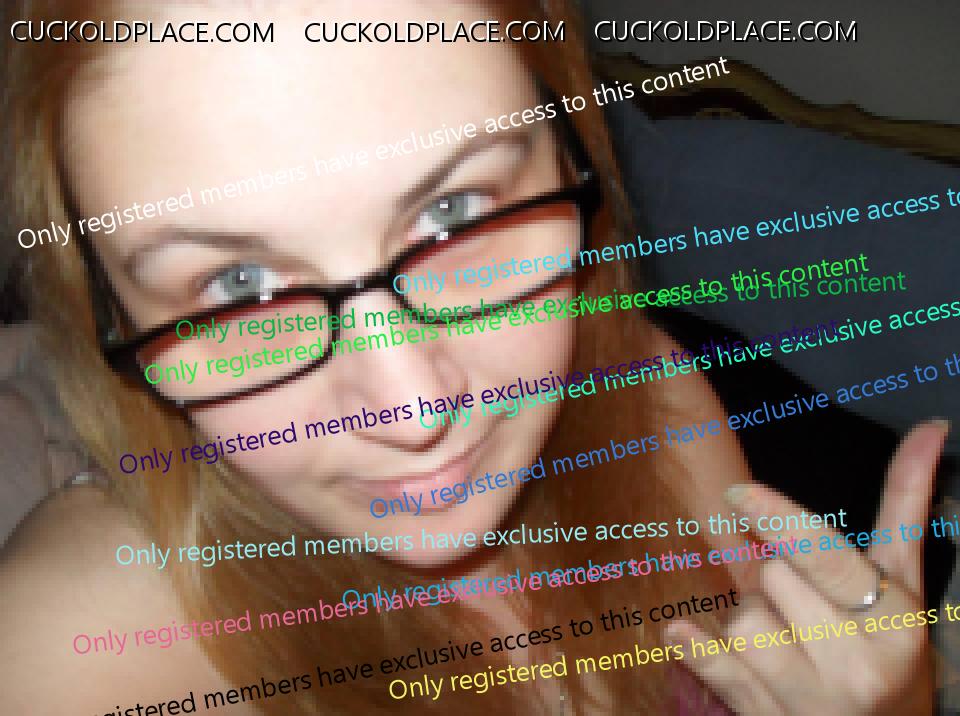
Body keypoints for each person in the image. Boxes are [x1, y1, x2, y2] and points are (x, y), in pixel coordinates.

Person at [0, 1, 945, 713]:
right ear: (106, 310)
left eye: (455, 213)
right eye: (238, 286)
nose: (415, 413)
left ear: (572, 161)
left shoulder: (652, 395)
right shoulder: (69, 658)